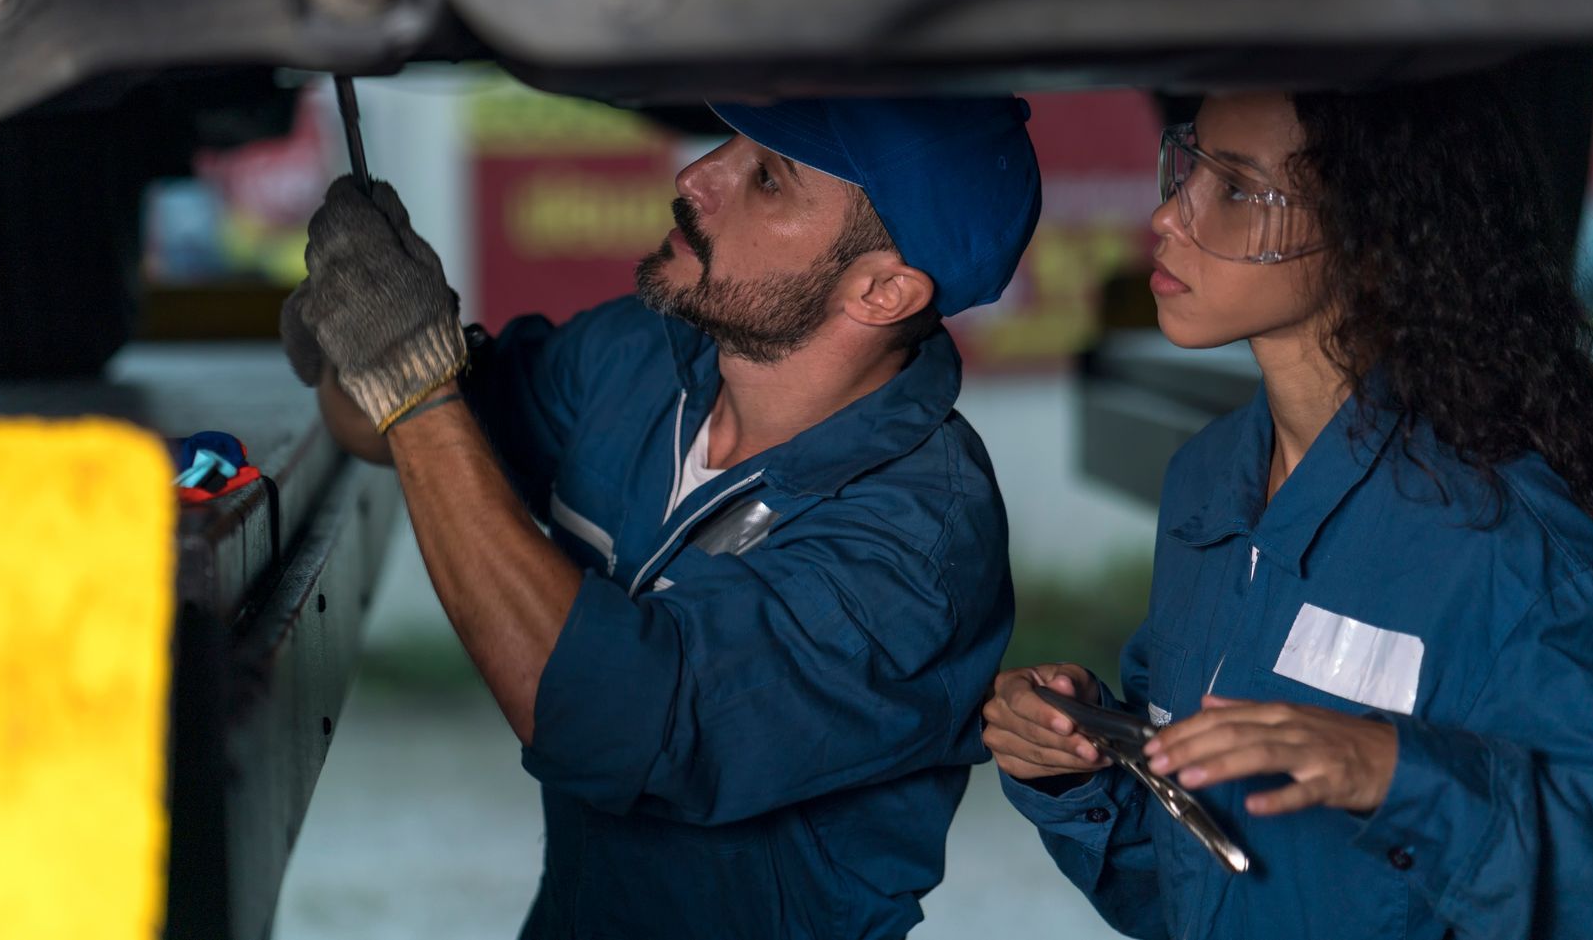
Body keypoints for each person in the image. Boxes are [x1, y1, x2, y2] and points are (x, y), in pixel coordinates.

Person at [981, 82, 1593, 937]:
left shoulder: (1501, 545)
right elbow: (1195, 880)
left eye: (1233, 189)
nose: (1167, 216)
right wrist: (1080, 767)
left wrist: (1401, 776)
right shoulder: (1208, 480)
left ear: (1373, 243)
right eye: (1186, 169)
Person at [283, 96, 1041, 939]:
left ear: (882, 289)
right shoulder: (644, 357)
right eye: (731, 144)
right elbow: (402, 432)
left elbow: (597, 716)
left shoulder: (916, 549)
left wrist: (408, 378)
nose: (695, 176)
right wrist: (345, 338)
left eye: (767, 179)